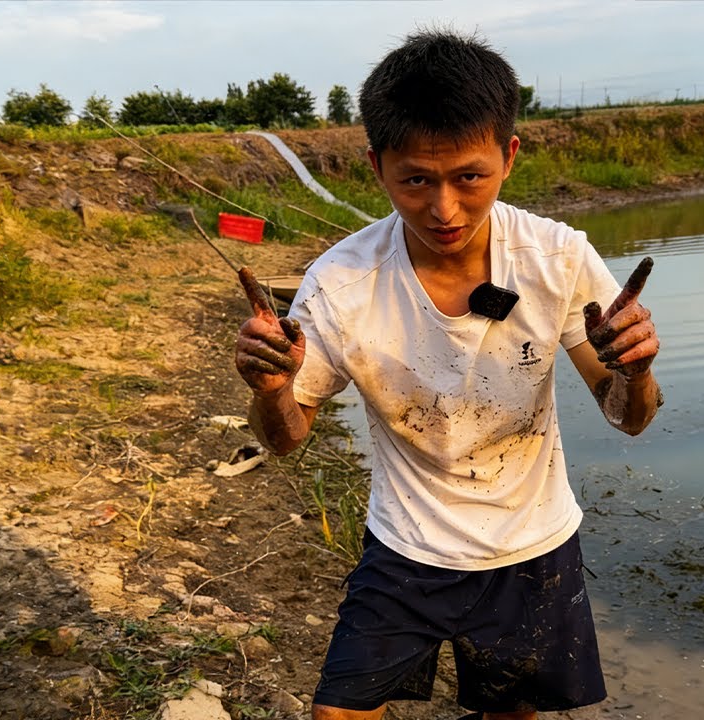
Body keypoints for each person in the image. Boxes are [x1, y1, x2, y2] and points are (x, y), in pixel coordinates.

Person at [234, 28, 662, 720]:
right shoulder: (340, 285)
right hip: (405, 549)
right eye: (415, 181)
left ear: (508, 155)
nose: (445, 210)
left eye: (469, 177)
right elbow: (284, 439)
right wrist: (273, 387)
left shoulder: (557, 258)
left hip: (533, 549)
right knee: (337, 713)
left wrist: (636, 370)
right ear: (376, 166)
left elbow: (628, 416)